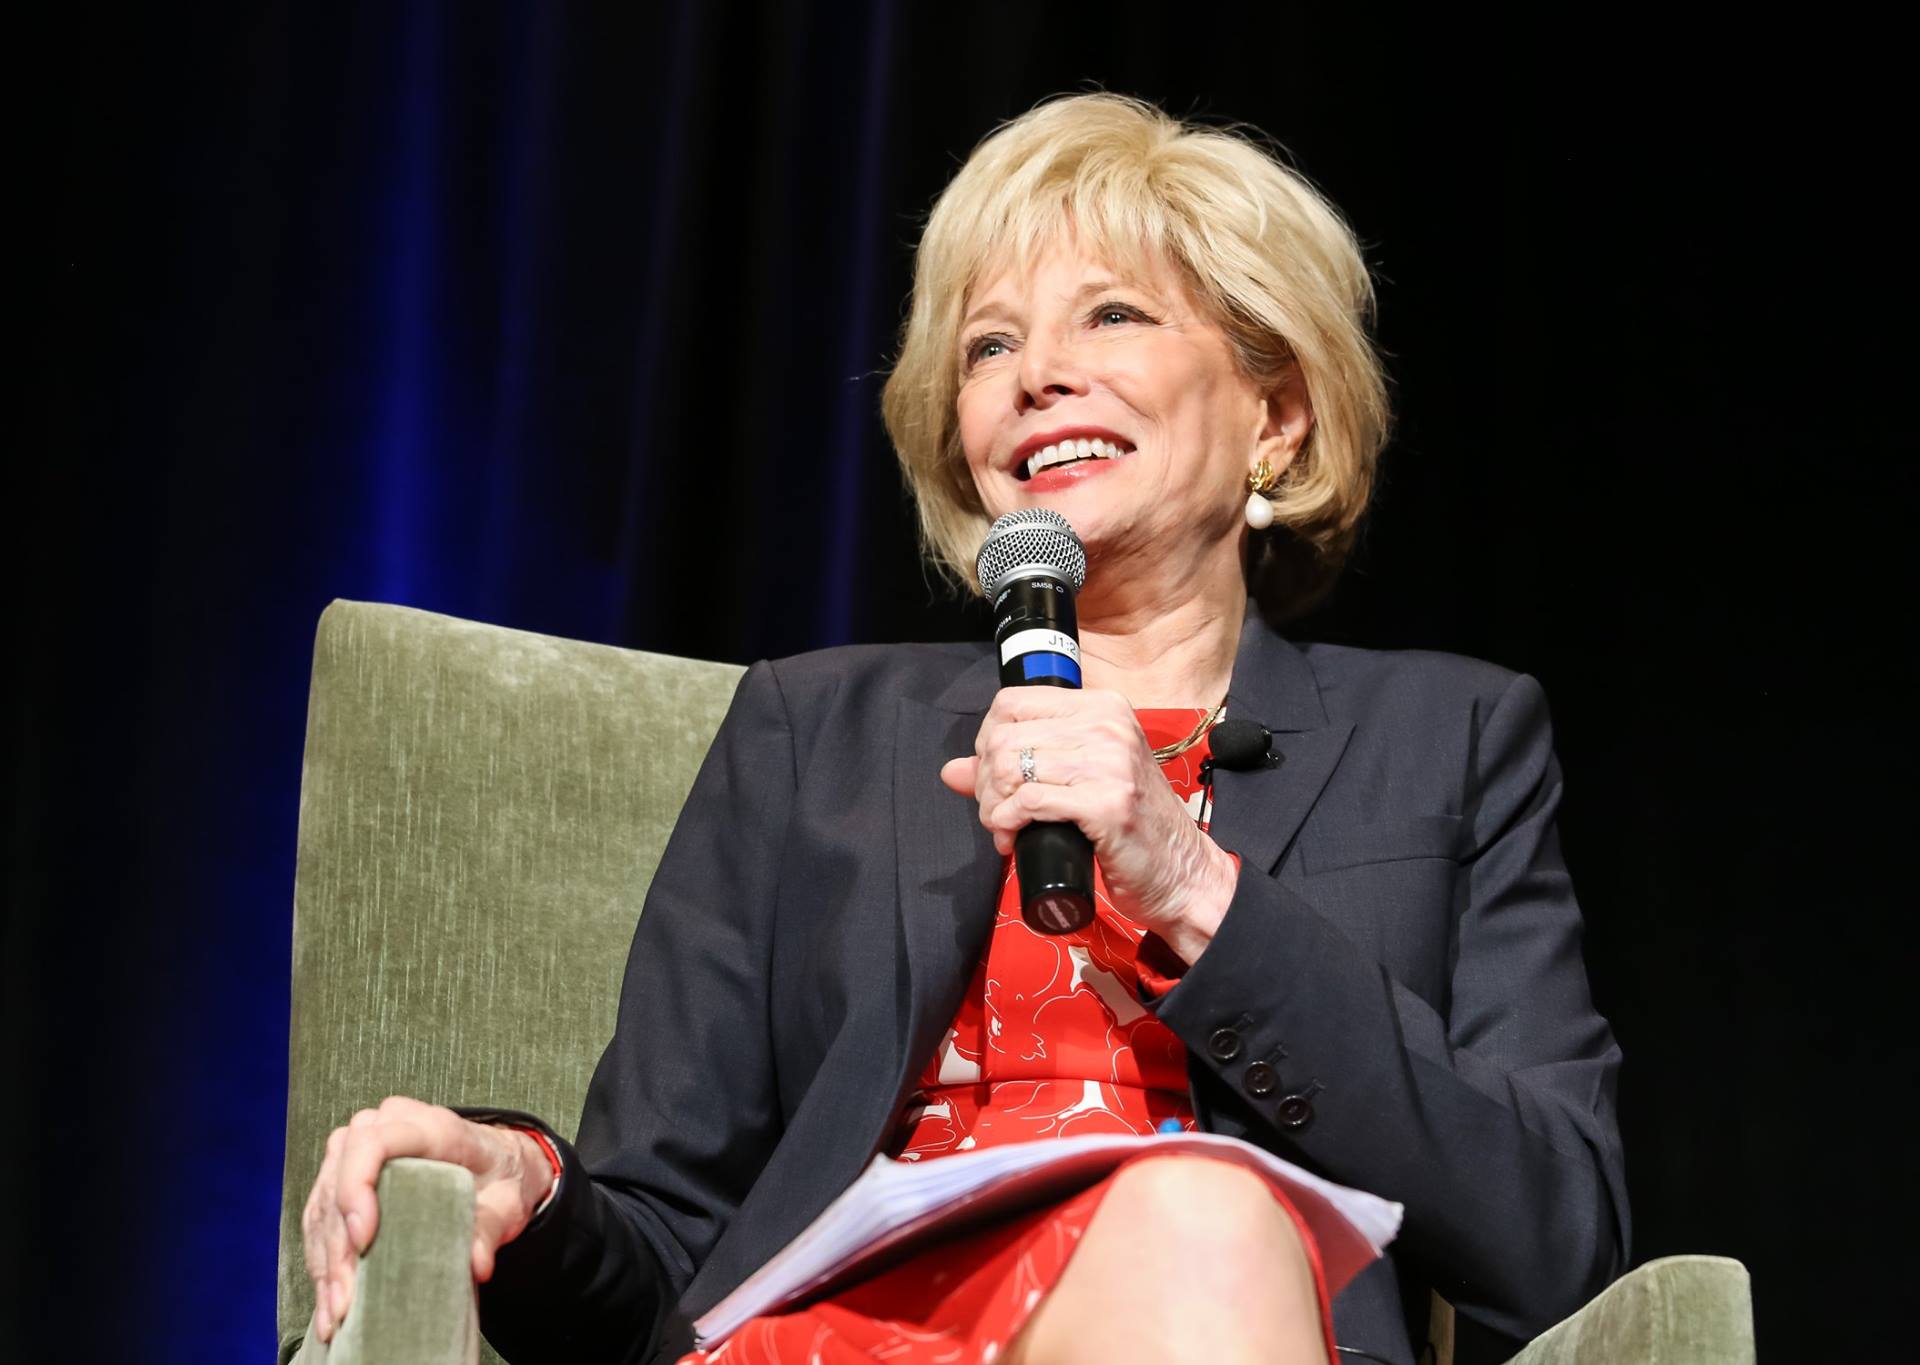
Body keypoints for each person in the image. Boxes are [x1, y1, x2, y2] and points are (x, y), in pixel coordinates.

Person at [302, 92, 1628, 1365]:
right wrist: (522, 1181)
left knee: (1203, 1213)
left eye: (1111, 315)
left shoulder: (1450, 737)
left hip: (1224, 1310)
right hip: (829, 1344)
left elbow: (1558, 1238)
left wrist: (1196, 889)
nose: (1039, 375)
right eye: (990, 345)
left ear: (1274, 417)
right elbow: (656, 1256)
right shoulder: (810, 732)